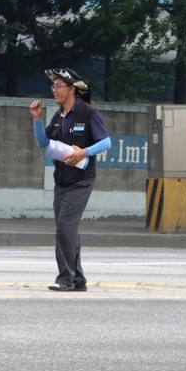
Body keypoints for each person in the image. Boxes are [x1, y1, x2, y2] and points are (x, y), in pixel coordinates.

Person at [29, 68, 111, 292]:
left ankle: (65, 278)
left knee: (65, 227)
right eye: (53, 86)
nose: (54, 90)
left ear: (71, 89)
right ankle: (78, 279)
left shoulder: (88, 112)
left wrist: (84, 152)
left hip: (82, 180)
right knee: (67, 229)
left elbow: (106, 142)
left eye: (58, 86)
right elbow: (43, 143)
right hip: (62, 180)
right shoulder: (58, 116)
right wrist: (37, 119)